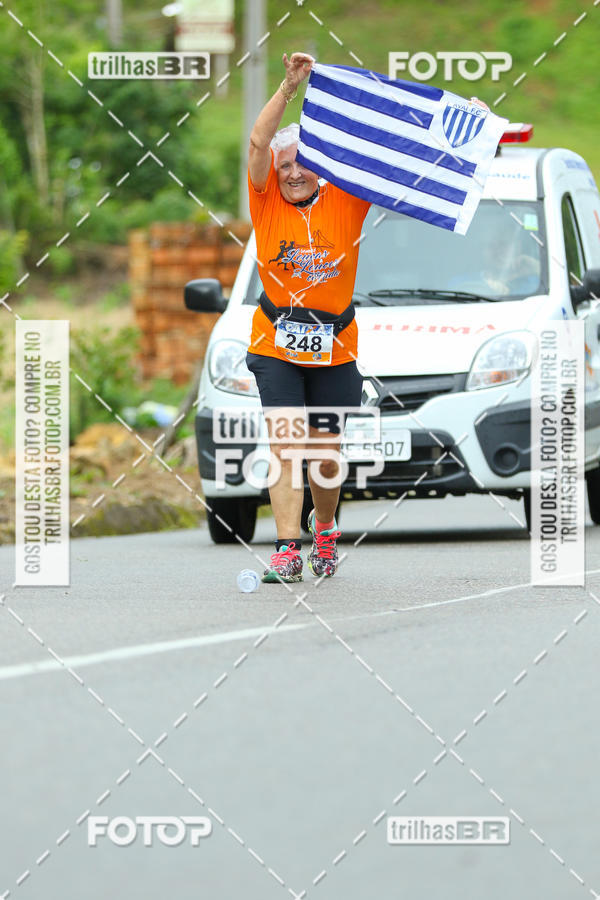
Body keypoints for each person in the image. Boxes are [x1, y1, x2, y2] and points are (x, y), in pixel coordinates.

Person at [246, 52, 371, 583]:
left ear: (319, 163)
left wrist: (463, 130)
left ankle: (324, 531)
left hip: (334, 343)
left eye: (300, 163)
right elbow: (257, 144)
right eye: (284, 167)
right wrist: (288, 89)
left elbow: (393, 161)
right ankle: (285, 547)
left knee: (324, 449)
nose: (293, 173)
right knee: (284, 442)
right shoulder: (267, 200)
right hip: (276, 342)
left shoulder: (346, 197)